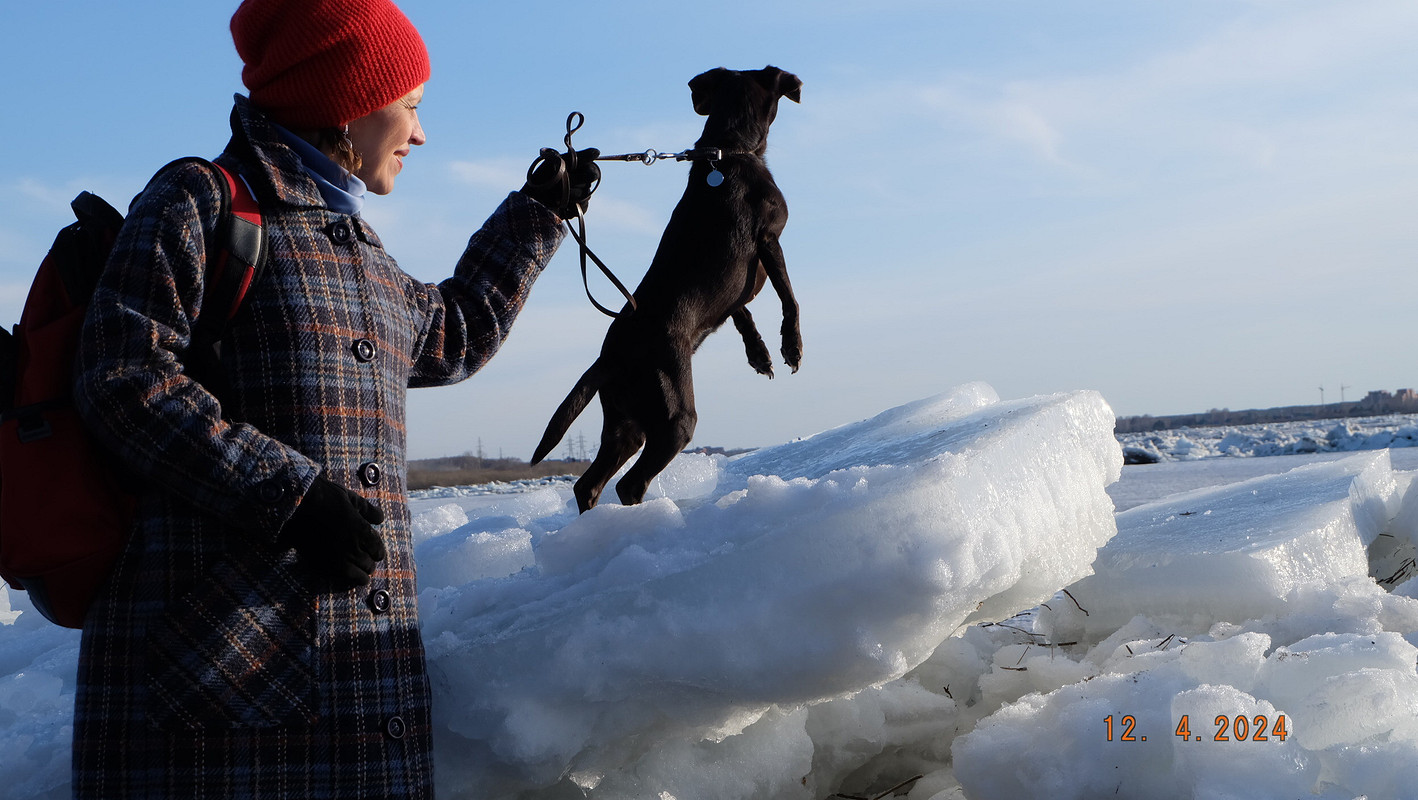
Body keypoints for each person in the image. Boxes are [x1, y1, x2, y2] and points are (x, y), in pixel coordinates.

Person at [69, 0, 597, 796]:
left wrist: (539, 215)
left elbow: (451, 333)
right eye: (411, 107)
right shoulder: (201, 203)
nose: (420, 134)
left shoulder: (352, 248)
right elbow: (123, 378)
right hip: (218, 699)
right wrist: (293, 496)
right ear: (349, 103)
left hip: (353, 688)